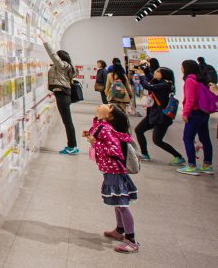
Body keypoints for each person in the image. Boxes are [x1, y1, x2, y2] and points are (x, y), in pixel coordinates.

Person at [83, 104, 139, 254]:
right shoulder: (103, 125)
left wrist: (95, 142)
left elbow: (114, 150)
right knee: (117, 201)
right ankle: (119, 230)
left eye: (108, 106)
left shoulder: (107, 129)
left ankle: (131, 241)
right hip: (110, 170)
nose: (103, 104)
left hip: (114, 171)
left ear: (110, 117)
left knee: (122, 204)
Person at [135, 67, 184, 165]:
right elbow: (150, 80)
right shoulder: (161, 82)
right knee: (138, 130)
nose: (155, 72)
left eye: (158, 71)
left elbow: (148, 86)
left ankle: (178, 156)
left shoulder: (165, 85)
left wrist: (142, 76)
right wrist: (147, 71)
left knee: (157, 140)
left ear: (163, 74)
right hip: (154, 114)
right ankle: (145, 154)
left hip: (162, 117)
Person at [41, 37, 78, 155]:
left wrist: (44, 41)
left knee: (67, 122)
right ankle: (72, 146)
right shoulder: (68, 66)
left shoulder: (62, 65)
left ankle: (72, 146)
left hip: (62, 95)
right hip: (64, 94)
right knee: (67, 121)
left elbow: (52, 54)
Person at [178, 59, 214, 175]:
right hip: (204, 113)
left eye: (182, 66)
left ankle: (191, 166)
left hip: (194, 113)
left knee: (187, 138)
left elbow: (190, 99)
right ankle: (207, 165)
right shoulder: (201, 80)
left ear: (187, 68)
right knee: (205, 139)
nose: (181, 68)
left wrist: (185, 113)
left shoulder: (190, 80)